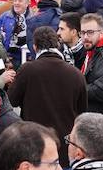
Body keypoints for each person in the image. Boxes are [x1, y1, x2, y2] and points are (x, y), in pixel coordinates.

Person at [7, 27, 87, 158]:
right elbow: (82, 112)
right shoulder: (76, 74)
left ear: (34, 47)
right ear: (57, 45)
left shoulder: (27, 70)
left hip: (33, 143)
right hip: (65, 147)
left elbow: (12, 100)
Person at [0, 0, 33, 68]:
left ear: (27, 3)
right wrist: (5, 57)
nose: (16, 3)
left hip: (28, 59)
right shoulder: (4, 17)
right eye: (15, 0)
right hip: (9, 57)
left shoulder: (34, 19)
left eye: (20, 1)